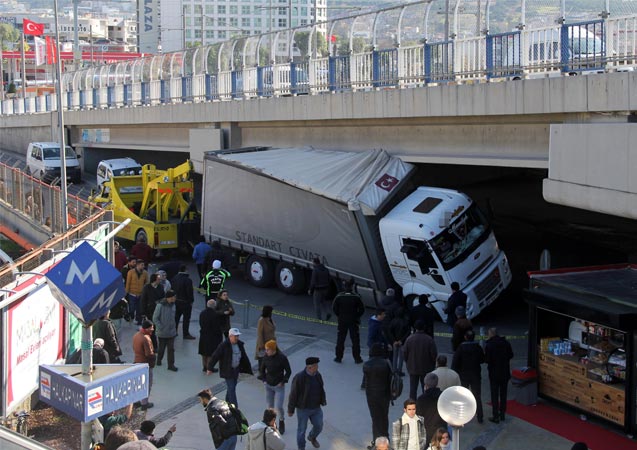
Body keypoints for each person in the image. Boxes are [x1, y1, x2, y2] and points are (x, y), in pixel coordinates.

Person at [207, 327, 253, 407]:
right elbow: (215, 356)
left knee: (231, 387)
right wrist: (209, 368)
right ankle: (234, 408)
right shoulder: (224, 345)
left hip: (236, 370)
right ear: (230, 336)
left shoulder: (239, 344)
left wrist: (248, 368)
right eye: (235, 336)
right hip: (227, 370)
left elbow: (244, 357)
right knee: (231, 388)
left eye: (237, 336)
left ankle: (227, 402)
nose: (236, 338)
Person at [288, 356, 327, 450]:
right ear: (309, 367)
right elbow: (293, 394)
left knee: (319, 426)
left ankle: (312, 437)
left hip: (316, 407)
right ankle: (301, 447)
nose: (317, 367)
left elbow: (321, 388)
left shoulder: (317, 375)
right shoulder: (299, 377)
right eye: (316, 365)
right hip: (303, 409)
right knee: (301, 430)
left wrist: (322, 400)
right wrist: (291, 409)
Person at [258, 340, 292, 434]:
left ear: (273, 350)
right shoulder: (265, 357)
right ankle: (271, 424)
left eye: (268, 350)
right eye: (266, 350)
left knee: (279, 406)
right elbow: (262, 370)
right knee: (270, 407)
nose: (266, 352)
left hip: (279, 386)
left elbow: (288, 371)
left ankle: (281, 420)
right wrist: (264, 380)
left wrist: (283, 381)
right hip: (268, 385)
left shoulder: (282, 358)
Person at [452, 329, 485, 423]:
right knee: (477, 396)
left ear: (465, 337)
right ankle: (480, 416)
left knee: (462, 396)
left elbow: (455, 363)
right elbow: (482, 359)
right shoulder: (477, 347)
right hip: (475, 375)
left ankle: (461, 417)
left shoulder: (461, 348)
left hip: (464, 376)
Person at [363, 342, 392, 449]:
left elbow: (365, 382)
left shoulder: (367, 364)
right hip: (385, 394)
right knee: (384, 416)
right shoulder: (386, 363)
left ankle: (377, 443)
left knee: (375, 418)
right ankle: (386, 440)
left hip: (372, 395)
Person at [332, 279, 365, 363]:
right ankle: (357, 358)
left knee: (340, 339)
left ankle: (338, 357)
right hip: (353, 321)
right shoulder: (356, 297)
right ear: (352, 287)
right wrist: (356, 316)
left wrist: (340, 316)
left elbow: (334, 309)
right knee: (355, 340)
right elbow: (362, 309)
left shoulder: (339, 296)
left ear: (344, 286)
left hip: (342, 321)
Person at [485, 327, 514, 423]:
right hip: (504, 372)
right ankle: (502, 414)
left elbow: (487, 360)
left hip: (494, 373)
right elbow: (511, 355)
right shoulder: (505, 343)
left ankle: (495, 415)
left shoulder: (489, 345)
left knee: (494, 394)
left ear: (491, 334)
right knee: (503, 394)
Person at [403, 320, 438, 400]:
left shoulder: (409, 339)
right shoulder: (429, 339)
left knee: (413, 389)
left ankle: (412, 404)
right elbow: (434, 354)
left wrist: (408, 363)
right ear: (424, 328)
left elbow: (405, 353)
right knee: (426, 387)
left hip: (413, 367)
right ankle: (425, 403)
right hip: (426, 368)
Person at [152, 289, 179, 371]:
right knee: (161, 348)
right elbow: (155, 318)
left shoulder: (174, 305)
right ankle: (159, 359)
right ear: (169, 297)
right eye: (174, 297)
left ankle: (171, 365)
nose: (175, 298)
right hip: (162, 332)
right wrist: (161, 327)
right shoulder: (160, 306)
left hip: (171, 332)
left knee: (171, 349)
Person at [416, 373, 447, 442]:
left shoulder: (421, 399)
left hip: (427, 432)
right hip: (441, 430)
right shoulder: (443, 396)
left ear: (426, 385)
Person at [133, 320, 156, 410]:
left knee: (138, 384)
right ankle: (144, 403)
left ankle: (136, 401)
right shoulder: (146, 338)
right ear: (147, 328)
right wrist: (154, 356)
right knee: (147, 384)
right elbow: (148, 354)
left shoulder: (136, 335)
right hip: (145, 364)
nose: (153, 329)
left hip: (137, 362)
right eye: (151, 328)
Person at [171, 264, 196, 339]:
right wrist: (191, 300)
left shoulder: (175, 278)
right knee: (186, 318)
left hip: (177, 300)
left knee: (177, 317)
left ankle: (174, 331)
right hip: (186, 302)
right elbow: (189, 292)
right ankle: (185, 333)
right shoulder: (188, 280)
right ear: (185, 270)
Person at [199, 299, 223, 373]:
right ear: (214, 306)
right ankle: (209, 367)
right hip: (212, 336)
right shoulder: (215, 315)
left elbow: (201, 323)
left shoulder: (202, 313)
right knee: (210, 353)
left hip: (203, 335)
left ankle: (204, 366)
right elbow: (216, 327)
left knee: (203, 352)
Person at [126, 259, 148, 325]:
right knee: (132, 307)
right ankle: (131, 317)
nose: (143, 266)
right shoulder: (130, 272)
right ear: (138, 265)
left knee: (139, 308)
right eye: (142, 265)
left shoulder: (145, 273)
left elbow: (147, 282)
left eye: (143, 265)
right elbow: (128, 283)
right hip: (132, 293)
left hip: (141, 293)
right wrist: (126, 292)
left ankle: (139, 320)